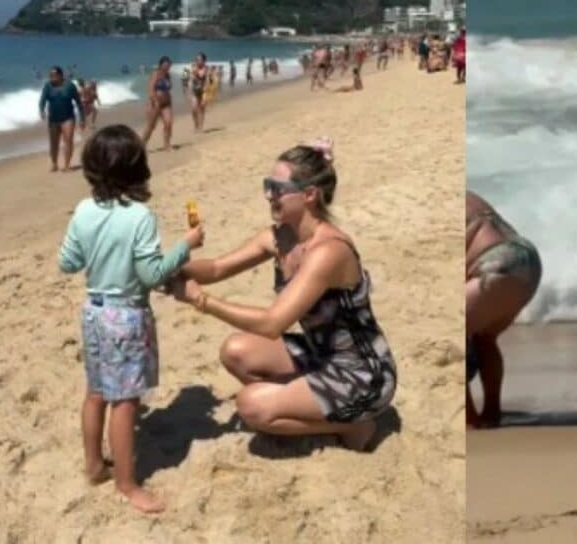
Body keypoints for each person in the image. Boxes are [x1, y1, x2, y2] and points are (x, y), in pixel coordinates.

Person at [171, 138, 397, 448]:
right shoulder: (279, 237)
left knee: (251, 406)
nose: (268, 195)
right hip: (320, 353)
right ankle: (312, 406)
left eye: (276, 188)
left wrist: (201, 300)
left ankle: (353, 424)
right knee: (235, 351)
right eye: (267, 185)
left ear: (308, 195)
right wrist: (168, 269)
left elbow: (272, 323)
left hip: (362, 374)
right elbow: (217, 269)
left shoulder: (329, 251)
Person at [58, 124, 205, 513]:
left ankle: (94, 465)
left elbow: (67, 262)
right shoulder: (140, 216)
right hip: (126, 316)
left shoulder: (84, 210)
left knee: (96, 392)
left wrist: (95, 247)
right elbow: (152, 275)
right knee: (125, 401)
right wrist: (185, 247)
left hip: (94, 311)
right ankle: (126, 483)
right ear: (138, 168)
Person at [466, 191, 542, 428]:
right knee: (484, 337)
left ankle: (469, 419)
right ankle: (491, 412)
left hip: (494, 262)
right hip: (527, 258)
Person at [39, 66, 85, 172]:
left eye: (54, 75)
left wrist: (82, 119)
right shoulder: (47, 86)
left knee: (68, 140)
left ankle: (67, 165)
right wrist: (41, 110)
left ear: (61, 75)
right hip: (53, 119)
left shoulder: (70, 86)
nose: (52, 77)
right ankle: (54, 164)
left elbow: (79, 103)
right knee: (54, 142)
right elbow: (42, 100)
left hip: (68, 118)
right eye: (50, 75)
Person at [141, 56, 175, 151]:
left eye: (168, 65)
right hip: (155, 104)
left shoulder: (168, 75)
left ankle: (167, 145)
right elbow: (151, 89)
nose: (167, 67)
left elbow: (168, 90)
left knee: (168, 124)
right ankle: (142, 145)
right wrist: (155, 101)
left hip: (166, 104)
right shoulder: (155, 74)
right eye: (165, 65)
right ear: (160, 65)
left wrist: (169, 101)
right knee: (151, 126)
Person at [190, 53, 209, 133]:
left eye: (199, 59)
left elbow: (206, 78)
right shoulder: (193, 68)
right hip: (195, 90)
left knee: (202, 108)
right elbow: (191, 79)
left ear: (204, 61)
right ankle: (196, 125)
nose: (197, 61)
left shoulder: (206, 68)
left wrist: (206, 88)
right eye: (196, 59)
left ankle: (201, 127)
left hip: (203, 91)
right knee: (193, 109)